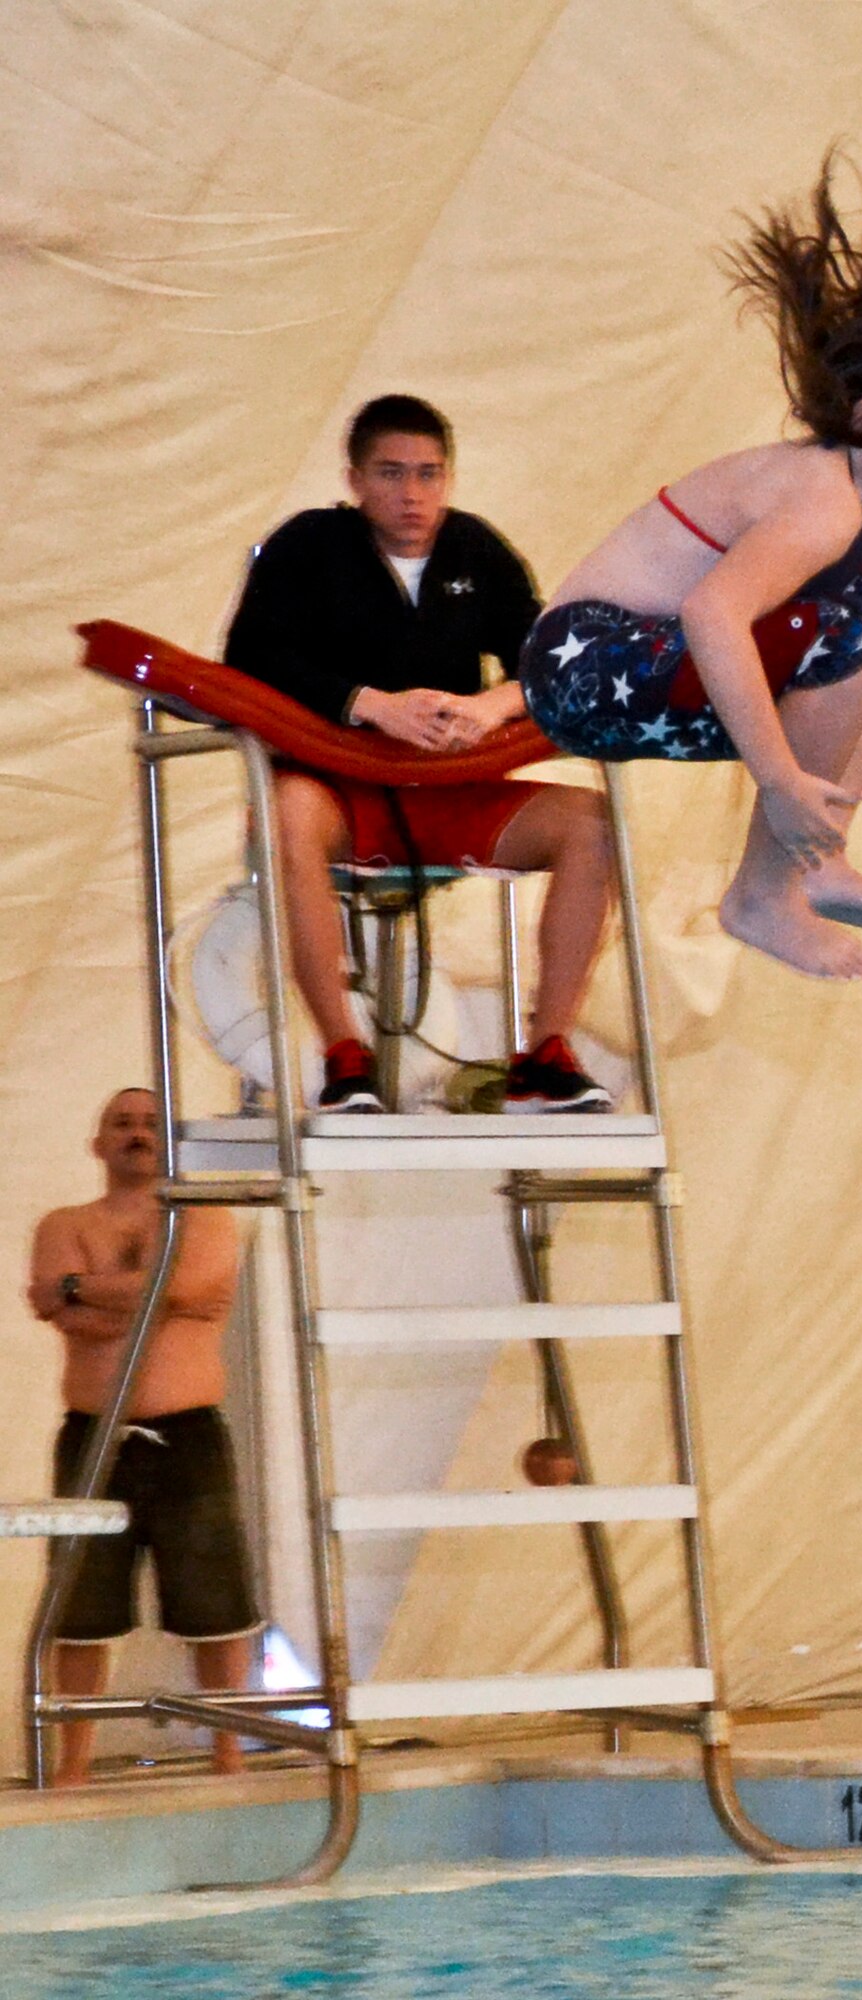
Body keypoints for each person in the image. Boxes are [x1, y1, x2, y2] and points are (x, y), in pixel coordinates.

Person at [520, 156, 862, 983]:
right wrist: (778, 782)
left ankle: (817, 859)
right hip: (585, 667)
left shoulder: (860, 522)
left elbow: (822, 663)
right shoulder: (819, 497)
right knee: (850, 630)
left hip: (656, 667)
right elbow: (713, 615)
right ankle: (762, 893)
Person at [225, 393, 612, 1113]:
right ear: (354, 480)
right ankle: (345, 1053)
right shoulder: (307, 546)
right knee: (284, 816)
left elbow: (550, 657)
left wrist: (488, 706)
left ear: (450, 479)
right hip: (341, 789)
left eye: (429, 474)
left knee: (593, 822)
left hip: (449, 789)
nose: (412, 495)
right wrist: (370, 703)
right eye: (391, 473)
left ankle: (546, 1051)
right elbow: (249, 658)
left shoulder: (476, 550)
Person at [27, 1088, 258, 1785]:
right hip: (93, 1436)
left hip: (187, 1435)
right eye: (121, 1123)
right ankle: (72, 1764)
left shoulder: (206, 1218)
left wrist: (83, 1286)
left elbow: (177, 1290)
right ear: (97, 1143)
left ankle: (226, 1752)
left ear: (172, 1141)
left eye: (150, 1123)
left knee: (215, 1605)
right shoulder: (64, 1222)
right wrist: (148, 1296)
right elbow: (61, 1304)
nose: (136, 1133)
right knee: (81, 1608)